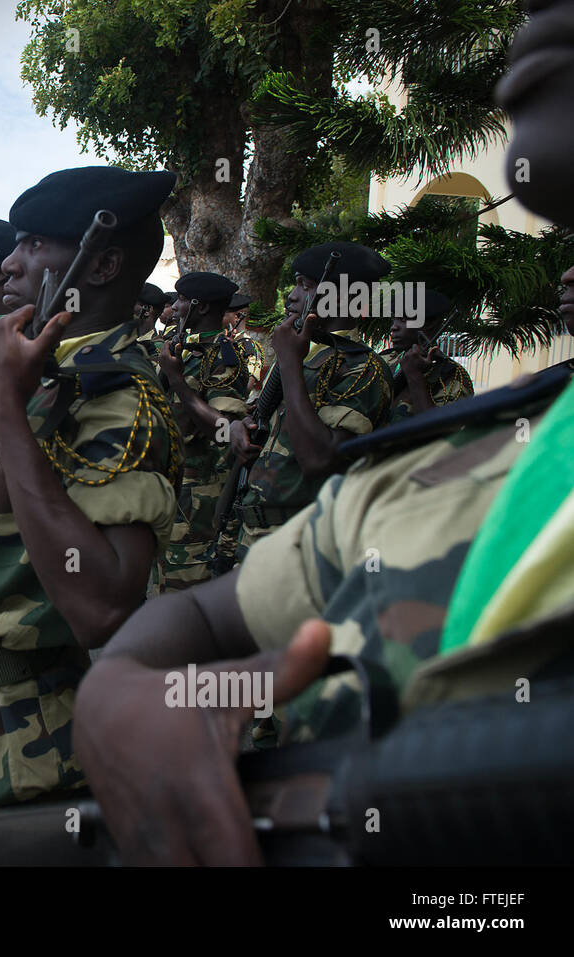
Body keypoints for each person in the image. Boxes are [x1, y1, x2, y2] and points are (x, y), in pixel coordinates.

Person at [71, 0, 574, 864]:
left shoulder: (373, 374)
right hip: (259, 550)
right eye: (294, 295)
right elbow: (263, 467)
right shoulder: (496, 462)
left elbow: (313, 456)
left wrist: (286, 369)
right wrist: (119, 695)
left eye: (310, 296)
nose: (295, 306)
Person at [0, 166, 183, 865]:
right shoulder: (44, 367)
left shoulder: (123, 400)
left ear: (103, 261)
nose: (13, 264)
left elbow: (102, 607)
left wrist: (1, 410)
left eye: (34, 245)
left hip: (24, 744)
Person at [228, 242, 395, 559]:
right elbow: (268, 423)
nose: (291, 295)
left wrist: (289, 362)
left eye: (305, 285)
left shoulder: (363, 369)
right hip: (255, 533)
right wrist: (240, 428)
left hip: (305, 544)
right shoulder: (305, 357)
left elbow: (319, 459)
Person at [153, 271, 252, 591]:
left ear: (202, 307)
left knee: (186, 593)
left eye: (182, 300)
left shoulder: (224, 355)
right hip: (170, 492)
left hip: (199, 504)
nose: (176, 307)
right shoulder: (178, 349)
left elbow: (225, 430)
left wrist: (178, 381)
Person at [379, 287, 474, 421]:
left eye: (403, 319)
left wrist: (415, 376)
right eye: (394, 319)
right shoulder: (384, 360)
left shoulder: (452, 375)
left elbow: (439, 430)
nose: (394, 327)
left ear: (429, 324)